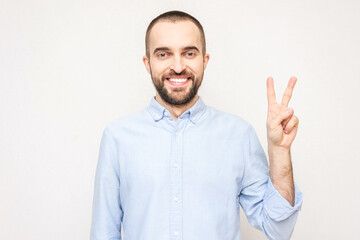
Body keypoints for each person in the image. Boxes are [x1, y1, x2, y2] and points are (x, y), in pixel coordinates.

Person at [90, 10, 303, 240]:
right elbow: (104, 233)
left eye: (189, 53)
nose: (178, 66)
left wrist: (280, 151)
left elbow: (278, 230)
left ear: (205, 60)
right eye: (163, 54)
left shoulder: (239, 135)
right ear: (147, 63)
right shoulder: (117, 137)